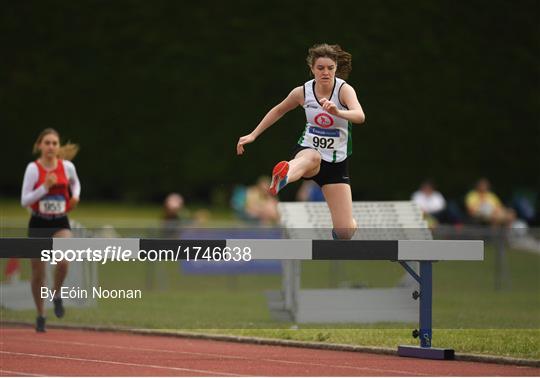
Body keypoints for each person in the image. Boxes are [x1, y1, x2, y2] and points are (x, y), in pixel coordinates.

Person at [237, 43, 365, 239]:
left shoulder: (344, 91)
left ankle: (347, 227)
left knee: (345, 232)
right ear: (312, 69)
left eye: (330, 68)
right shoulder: (302, 92)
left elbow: (360, 115)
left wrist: (337, 111)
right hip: (308, 150)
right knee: (312, 157)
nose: (325, 72)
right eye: (320, 68)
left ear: (336, 69)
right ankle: (284, 174)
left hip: (336, 162)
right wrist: (254, 134)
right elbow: (279, 109)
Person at [21, 128, 81, 332]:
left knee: (64, 261)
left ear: (58, 146)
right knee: (38, 273)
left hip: (60, 221)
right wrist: (44, 188)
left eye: (54, 143)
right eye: (47, 143)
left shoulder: (67, 167)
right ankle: (41, 314)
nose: (51, 147)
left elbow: (76, 183)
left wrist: (76, 196)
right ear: (40, 146)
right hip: (38, 223)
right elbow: (24, 200)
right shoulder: (33, 169)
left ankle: (56, 294)